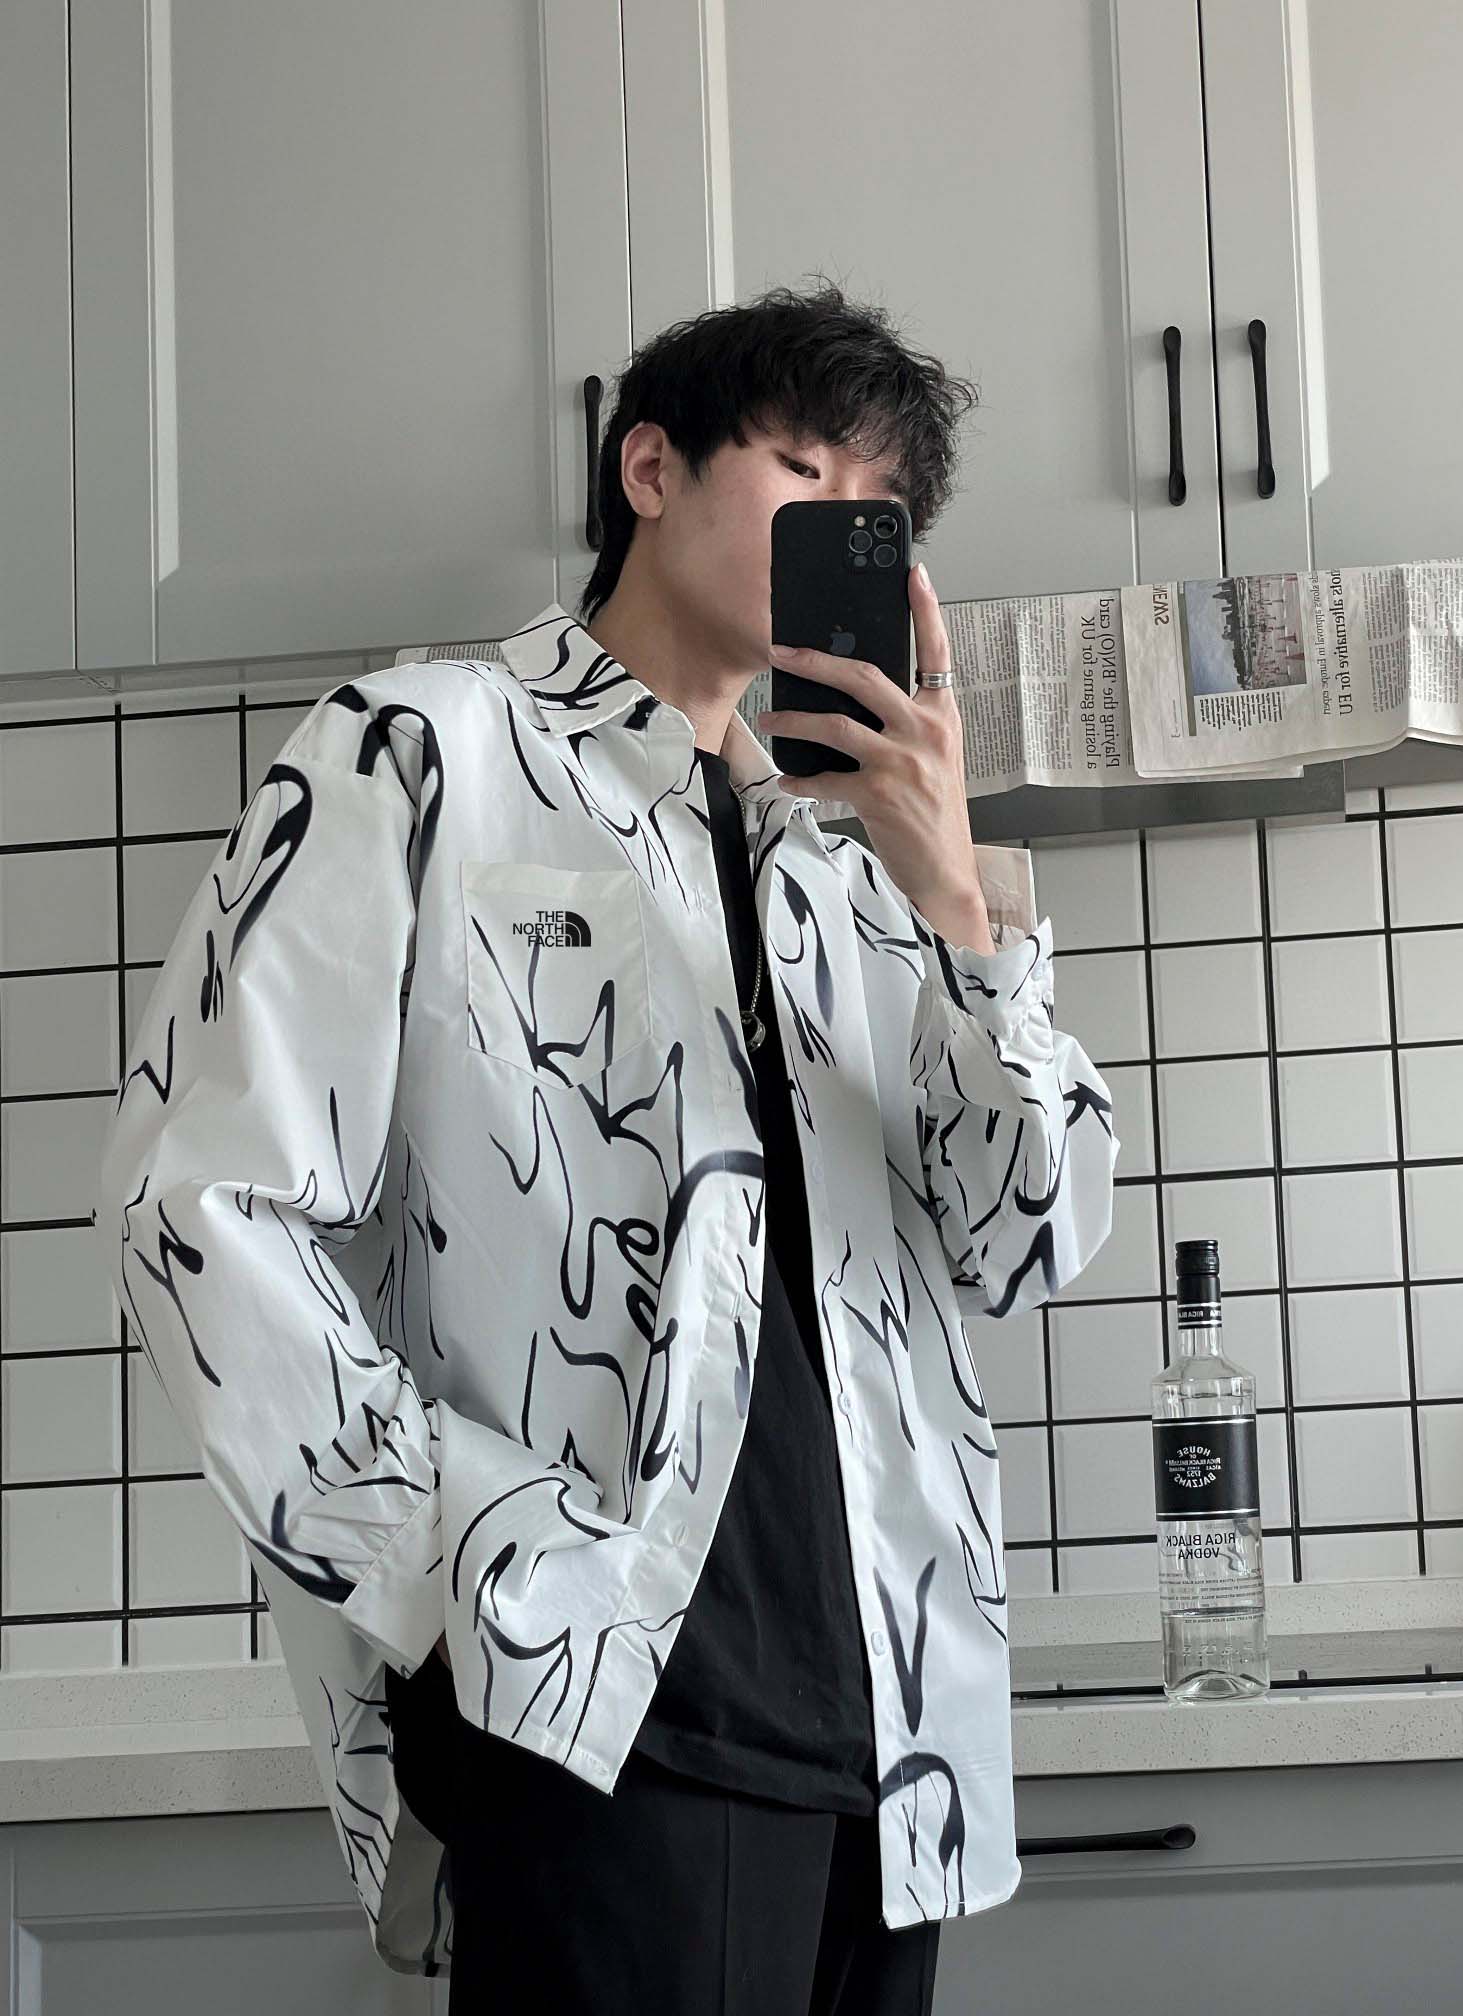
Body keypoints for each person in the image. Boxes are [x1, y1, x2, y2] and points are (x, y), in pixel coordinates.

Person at [95, 278, 1118, 2012]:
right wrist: (462, 1555)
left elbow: (1026, 1238)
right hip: (607, 1712)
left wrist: (958, 904)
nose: (842, 528)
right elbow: (195, 1203)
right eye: (804, 472)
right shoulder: (424, 751)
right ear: (651, 467)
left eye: (877, 511)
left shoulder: (854, 869)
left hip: (892, 1741)